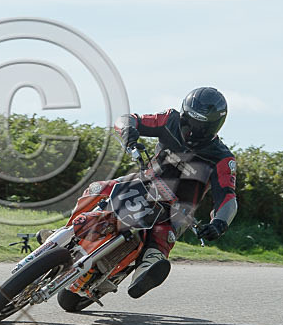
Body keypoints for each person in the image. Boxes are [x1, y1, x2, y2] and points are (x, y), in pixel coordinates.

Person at [43, 87, 238, 299]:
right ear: (183, 113)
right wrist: (128, 130)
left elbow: (227, 197)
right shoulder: (169, 119)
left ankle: (147, 270)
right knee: (97, 189)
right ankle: (65, 232)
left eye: (199, 125)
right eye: (188, 120)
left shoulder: (222, 158)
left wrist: (219, 223)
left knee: (162, 235)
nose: (190, 128)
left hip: (177, 208)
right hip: (143, 182)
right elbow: (128, 119)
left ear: (214, 125)